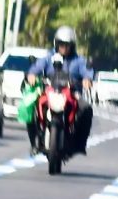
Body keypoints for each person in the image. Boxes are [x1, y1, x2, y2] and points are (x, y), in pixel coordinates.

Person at [28, 24, 93, 154]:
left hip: (72, 94)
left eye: (67, 44)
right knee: (29, 106)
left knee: (86, 109)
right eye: (61, 44)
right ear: (56, 43)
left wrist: (87, 80)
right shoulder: (48, 57)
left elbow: (87, 72)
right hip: (49, 91)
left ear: (72, 45)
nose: (64, 47)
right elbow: (36, 68)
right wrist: (32, 75)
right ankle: (34, 142)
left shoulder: (79, 60)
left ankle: (80, 143)